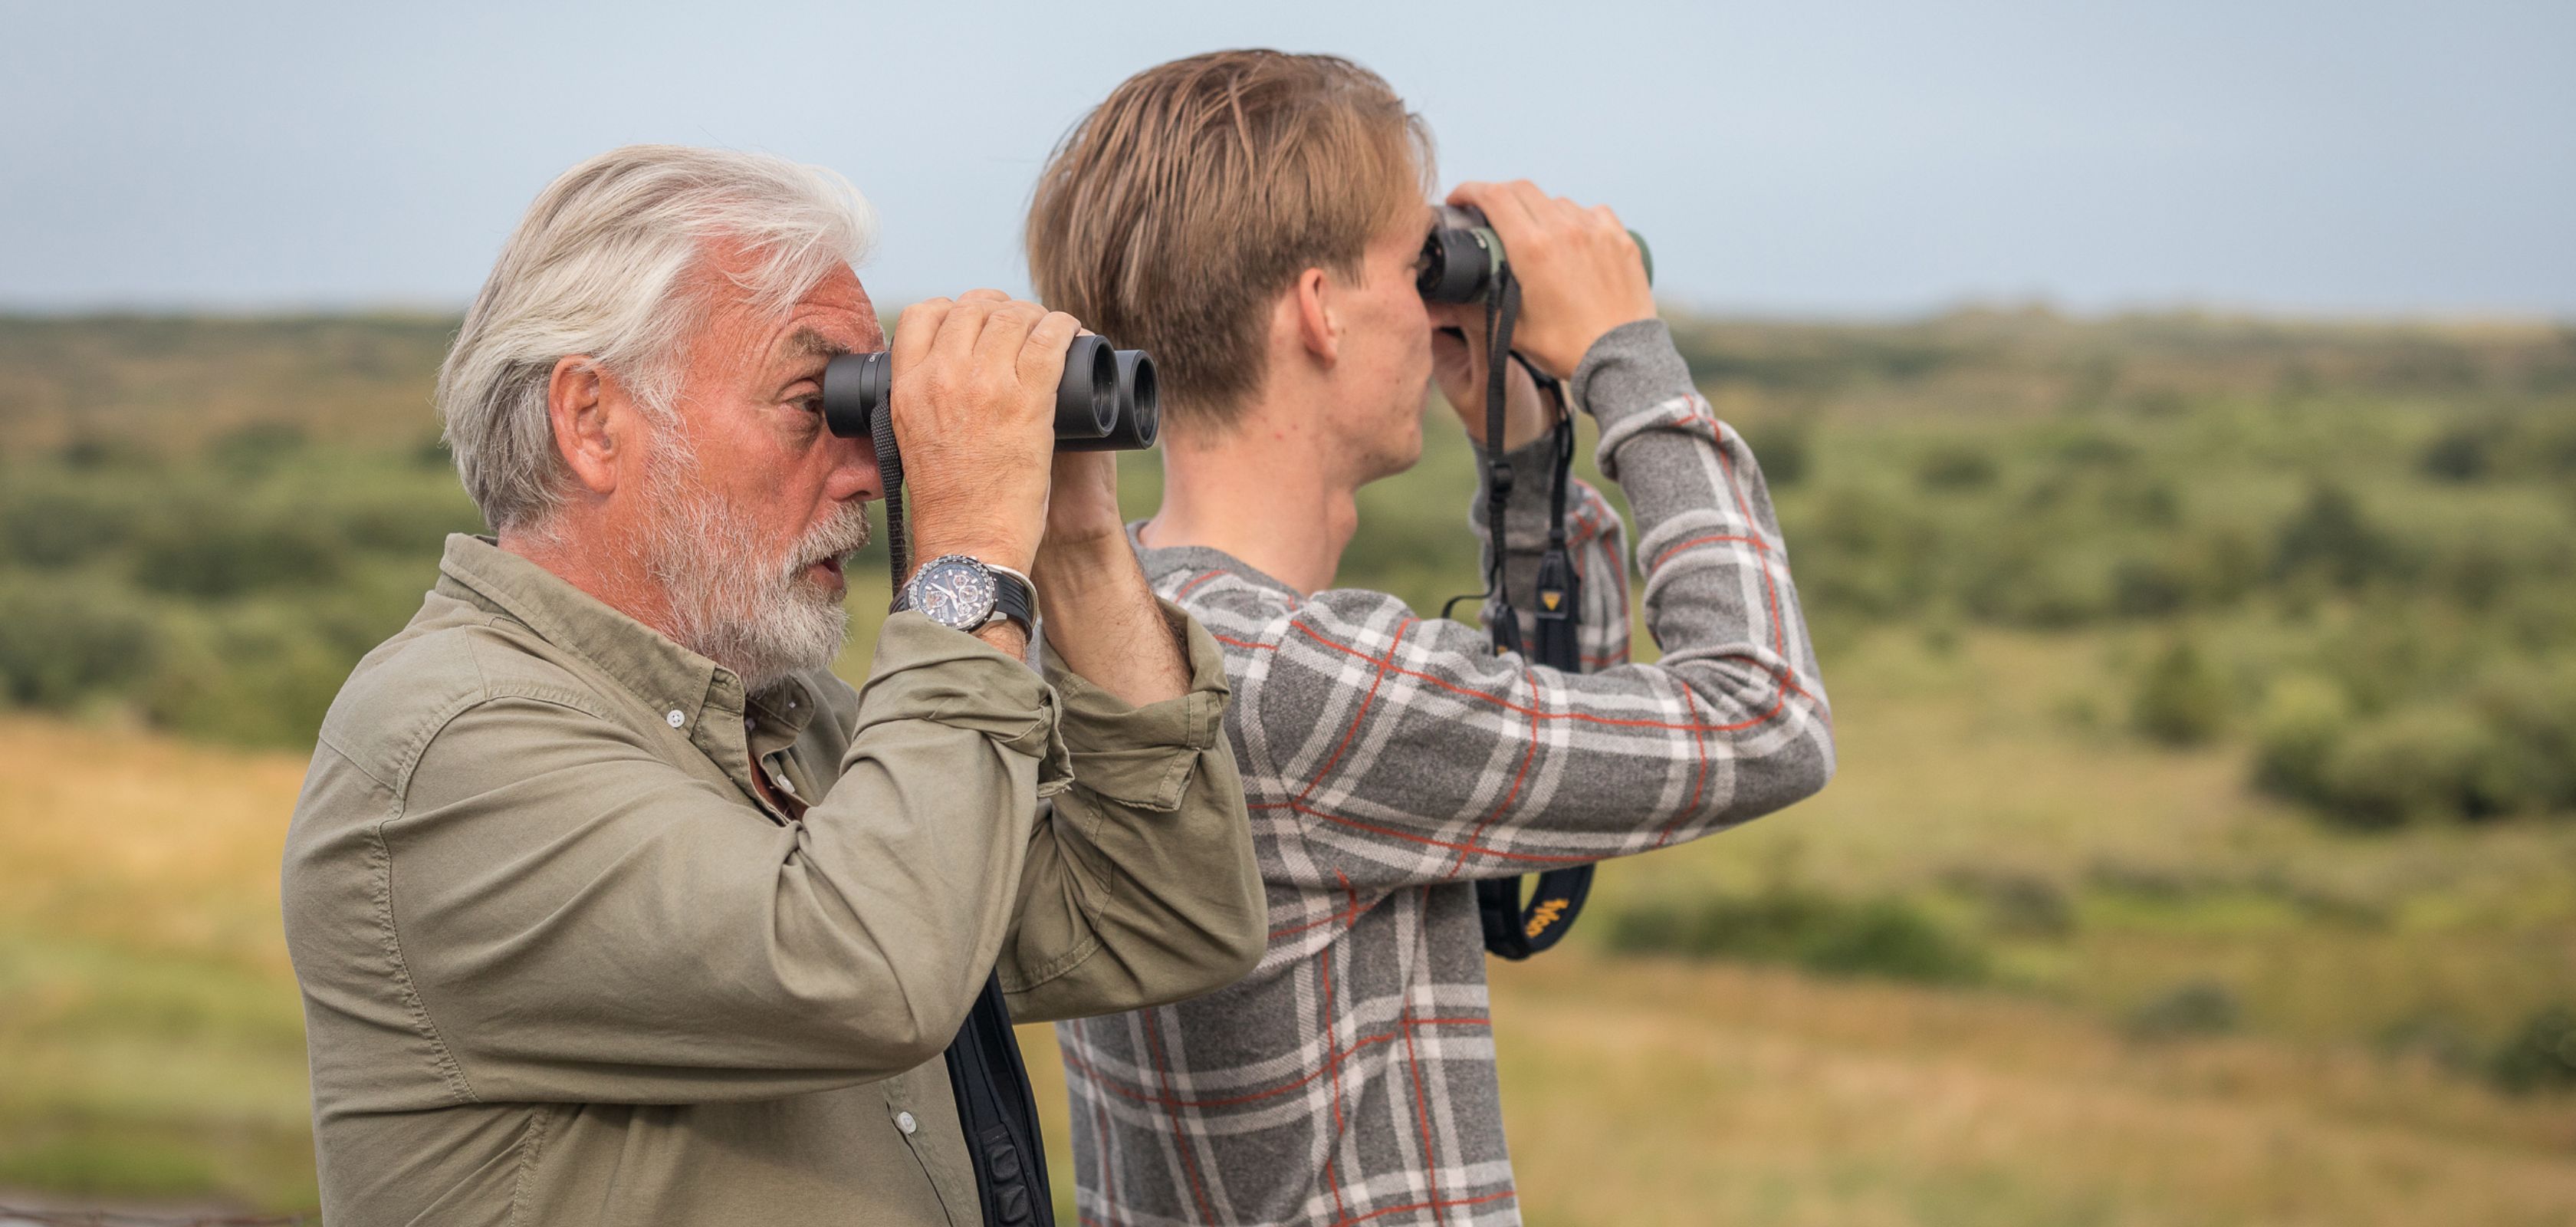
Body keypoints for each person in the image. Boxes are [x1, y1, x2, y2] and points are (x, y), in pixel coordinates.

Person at [280, 144, 1266, 1226]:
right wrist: (973, 549)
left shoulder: (800, 733)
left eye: (872, 414)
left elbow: (1167, 911)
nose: (865, 466)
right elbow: (870, 969)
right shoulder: (451, 749)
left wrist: (1070, 532)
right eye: (817, 404)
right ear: (592, 420)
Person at [1024, 51, 1836, 1225]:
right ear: (1318, 310)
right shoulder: (1297, 685)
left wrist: (1521, 453)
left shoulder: (1102, 616)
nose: (1438, 304)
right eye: (1419, 269)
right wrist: (1629, 358)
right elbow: (1768, 717)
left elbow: (1548, 780)